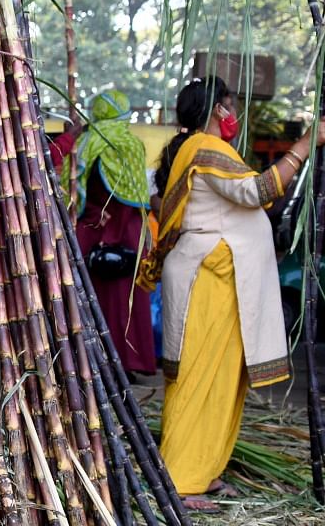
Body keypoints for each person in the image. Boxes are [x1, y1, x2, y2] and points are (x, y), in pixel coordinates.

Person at [139, 76, 321, 512]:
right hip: (212, 280)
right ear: (216, 109)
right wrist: (306, 143)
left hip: (216, 279)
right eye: (230, 103)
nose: (233, 112)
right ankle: (181, 482)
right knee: (202, 378)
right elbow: (258, 191)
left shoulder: (193, 148)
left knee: (220, 379)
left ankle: (204, 469)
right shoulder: (207, 147)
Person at [55, 90, 156, 376]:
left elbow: (72, 191)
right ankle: (129, 362)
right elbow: (133, 197)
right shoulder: (130, 144)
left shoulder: (85, 143)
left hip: (90, 231)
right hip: (126, 234)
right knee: (126, 302)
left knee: (91, 300)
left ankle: (93, 363)